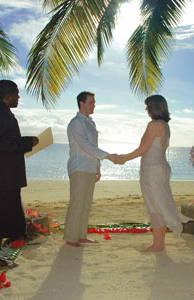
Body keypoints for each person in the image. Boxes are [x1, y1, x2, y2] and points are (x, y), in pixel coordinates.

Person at [116, 95, 191, 252]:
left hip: (152, 169)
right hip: (161, 167)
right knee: (160, 203)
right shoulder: (165, 125)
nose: (146, 109)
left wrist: (123, 159)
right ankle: (159, 243)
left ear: (154, 107)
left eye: (148, 106)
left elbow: (143, 149)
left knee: (155, 205)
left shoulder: (154, 124)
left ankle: (157, 244)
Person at [0, 80, 39, 270]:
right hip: (4, 178)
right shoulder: (3, 116)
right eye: (17, 93)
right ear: (8, 96)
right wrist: (28, 142)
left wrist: (22, 142)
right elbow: (4, 145)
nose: (19, 97)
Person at [64, 91, 118, 247]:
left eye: (94, 102)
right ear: (82, 103)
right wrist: (108, 156)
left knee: (86, 204)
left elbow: (94, 147)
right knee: (77, 203)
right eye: (91, 102)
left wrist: (97, 168)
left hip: (89, 168)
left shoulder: (90, 123)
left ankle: (81, 235)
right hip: (79, 168)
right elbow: (85, 146)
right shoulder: (75, 123)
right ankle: (70, 237)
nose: (94, 105)